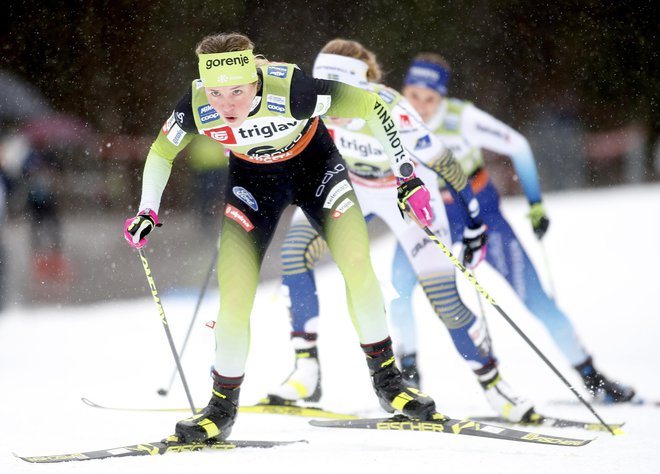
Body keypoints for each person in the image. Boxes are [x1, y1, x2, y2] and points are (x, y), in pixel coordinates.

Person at [123, 32, 442, 443]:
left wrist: (406, 174)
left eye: (238, 91)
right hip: (253, 185)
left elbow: (371, 105)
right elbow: (161, 152)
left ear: (255, 81)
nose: (227, 105)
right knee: (234, 294)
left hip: (316, 171)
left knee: (356, 263)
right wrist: (147, 209)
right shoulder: (197, 105)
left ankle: (389, 384)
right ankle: (221, 408)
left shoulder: (292, 92)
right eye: (217, 94)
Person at [266, 39, 537, 423]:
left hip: (405, 193)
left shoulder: (392, 109)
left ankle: (494, 384)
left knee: (444, 298)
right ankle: (306, 370)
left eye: (339, 94)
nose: (329, 104)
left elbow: (447, 164)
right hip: (351, 187)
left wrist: (475, 222)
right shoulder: (310, 101)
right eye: (323, 90)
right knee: (293, 253)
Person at [390, 52, 635, 403]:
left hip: (480, 213)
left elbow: (518, 145)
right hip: (429, 217)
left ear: (442, 97)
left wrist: (535, 203)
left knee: (535, 298)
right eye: (414, 96)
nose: (422, 106)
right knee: (399, 289)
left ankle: (592, 378)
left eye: (431, 99)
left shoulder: (462, 117)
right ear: (404, 90)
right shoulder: (393, 115)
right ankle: (409, 378)